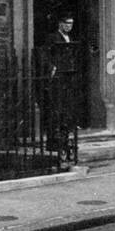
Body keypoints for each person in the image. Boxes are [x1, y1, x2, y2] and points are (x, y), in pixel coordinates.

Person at [41, 10, 78, 163]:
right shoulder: (53, 37)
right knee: (57, 108)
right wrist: (52, 67)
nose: (69, 27)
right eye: (67, 23)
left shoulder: (70, 38)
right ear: (60, 24)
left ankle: (64, 139)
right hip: (57, 77)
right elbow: (45, 55)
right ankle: (56, 141)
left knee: (66, 107)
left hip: (67, 76)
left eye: (71, 24)